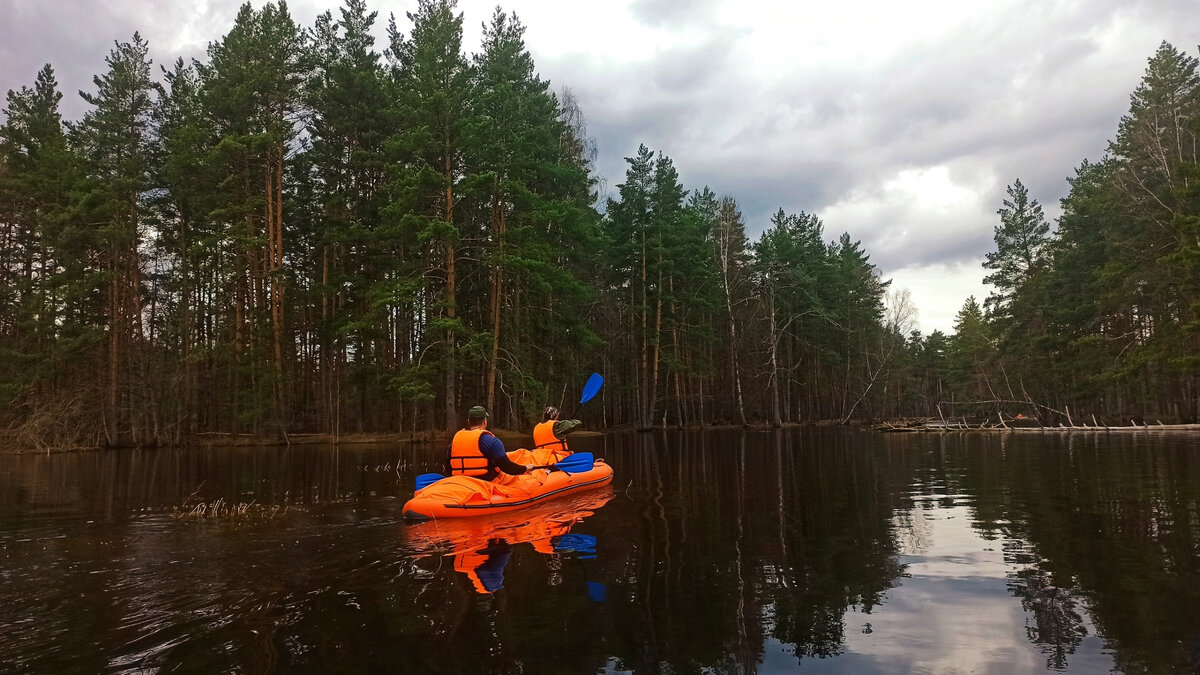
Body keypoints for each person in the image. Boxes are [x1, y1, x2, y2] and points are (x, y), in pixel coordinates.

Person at [446, 406, 532, 483]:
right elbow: (507, 467)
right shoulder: (492, 441)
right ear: (485, 421)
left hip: (460, 482)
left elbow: (448, 468)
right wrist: (525, 468)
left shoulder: (454, 441)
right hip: (484, 482)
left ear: (469, 421)